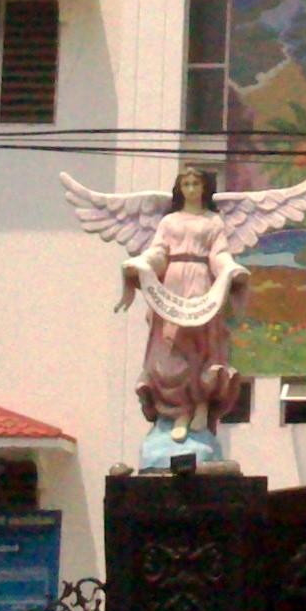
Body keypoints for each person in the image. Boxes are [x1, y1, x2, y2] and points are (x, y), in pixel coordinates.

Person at [119, 161, 245, 441]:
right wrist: (141, 263)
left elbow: (219, 255)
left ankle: (201, 406)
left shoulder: (213, 221)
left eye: (195, 183)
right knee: (170, 347)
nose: (190, 188)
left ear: (204, 187)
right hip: (172, 285)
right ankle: (179, 411)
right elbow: (158, 252)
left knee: (201, 346)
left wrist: (230, 269)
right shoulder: (169, 221)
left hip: (201, 284)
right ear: (179, 189)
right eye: (186, 184)